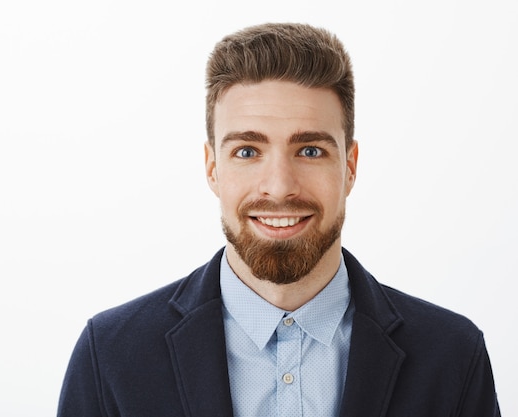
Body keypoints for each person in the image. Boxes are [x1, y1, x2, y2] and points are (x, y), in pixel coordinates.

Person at [57, 22, 501, 416]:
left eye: (310, 150)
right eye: (247, 151)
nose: (279, 186)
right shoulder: (111, 356)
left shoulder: (453, 356)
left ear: (350, 165)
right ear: (212, 167)